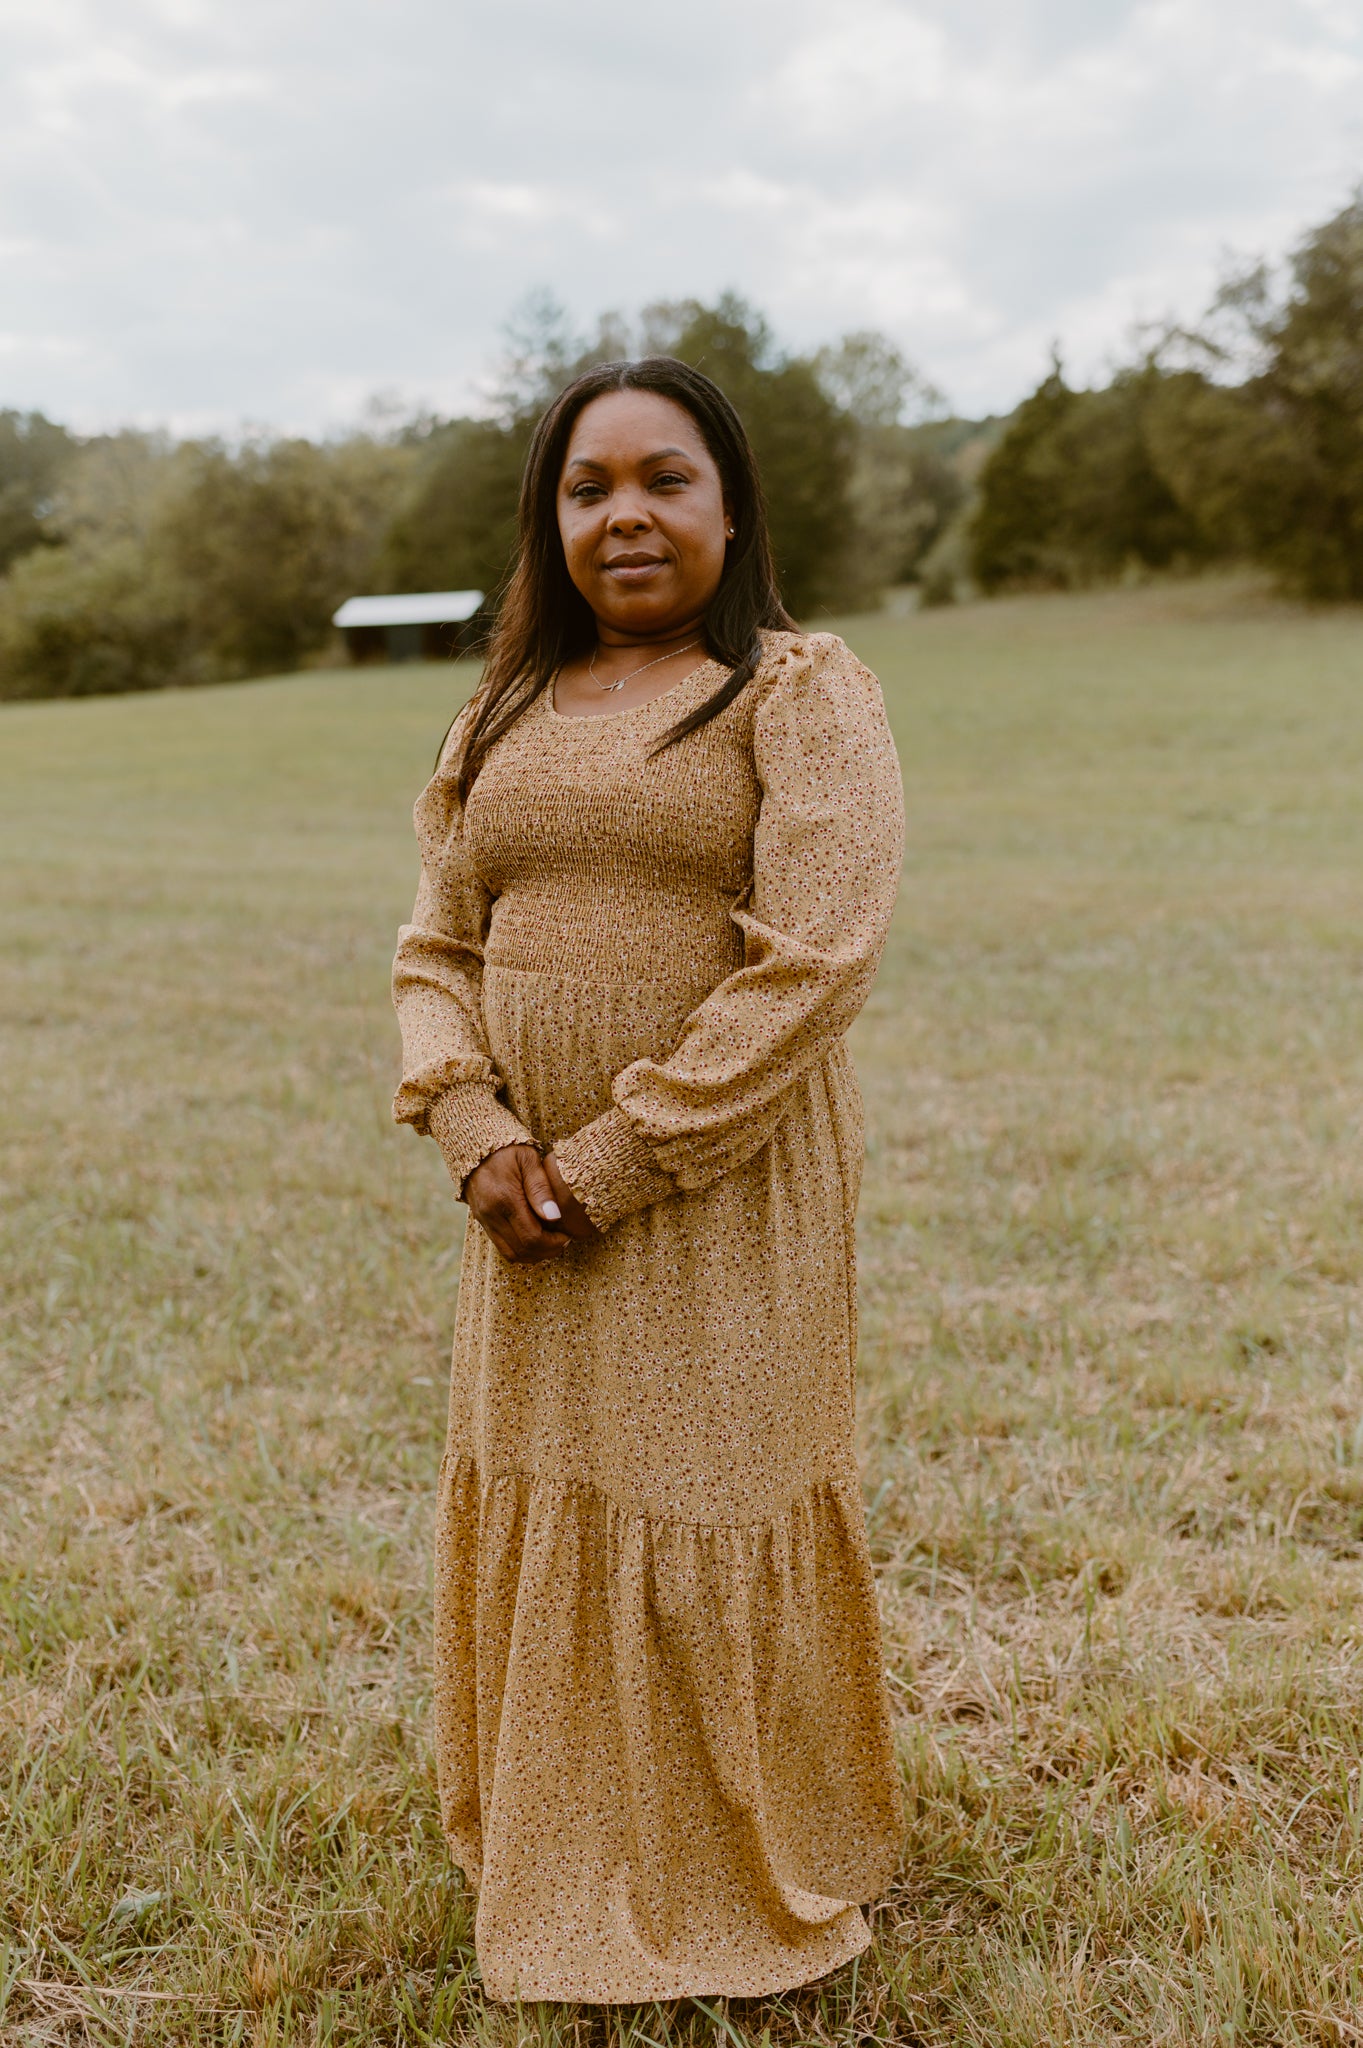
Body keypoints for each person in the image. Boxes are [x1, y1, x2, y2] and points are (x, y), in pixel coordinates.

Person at [392, 355, 905, 2004]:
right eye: (588, 486)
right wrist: (474, 1128)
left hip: (713, 1185)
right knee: (563, 1495)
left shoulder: (797, 691)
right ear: (552, 521)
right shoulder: (501, 708)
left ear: (733, 504)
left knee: (706, 1490)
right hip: (521, 1208)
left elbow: (813, 960)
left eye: (664, 479)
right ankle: (561, 1845)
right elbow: (433, 943)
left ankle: (726, 1861)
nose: (626, 515)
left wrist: (615, 1156)